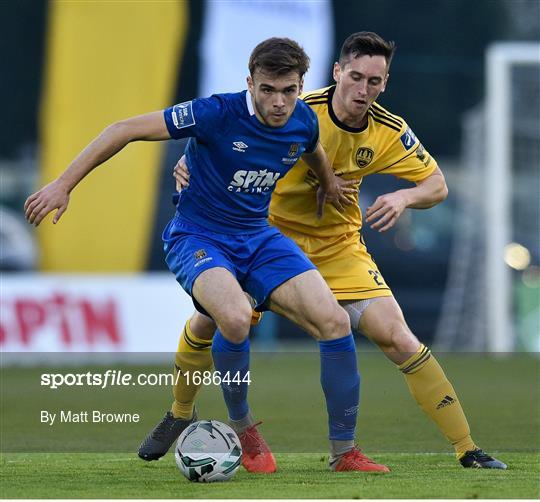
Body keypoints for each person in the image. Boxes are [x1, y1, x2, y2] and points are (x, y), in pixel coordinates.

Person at [24, 37, 386, 474]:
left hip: (257, 237)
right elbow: (122, 129)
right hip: (198, 236)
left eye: (288, 90)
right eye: (268, 90)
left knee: (334, 321)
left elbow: (313, 150)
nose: (278, 102)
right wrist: (63, 185)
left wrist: (328, 183)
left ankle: (344, 452)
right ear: (250, 83)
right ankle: (243, 427)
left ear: (300, 85)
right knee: (233, 318)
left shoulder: (304, 120)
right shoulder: (215, 112)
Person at [152, 32, 506, 471]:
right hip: (265, 238)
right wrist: (191, 161)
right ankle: (180, 413)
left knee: (398, 337)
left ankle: (466, 448)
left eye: (374, 81)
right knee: (213, 320)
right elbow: (226, 138)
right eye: (355, 77)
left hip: (339, 249)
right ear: (337, 72)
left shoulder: (390, 131)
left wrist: (402, 198)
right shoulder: (297, 107)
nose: (363, 89)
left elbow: (437, 185)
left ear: (385, 83)